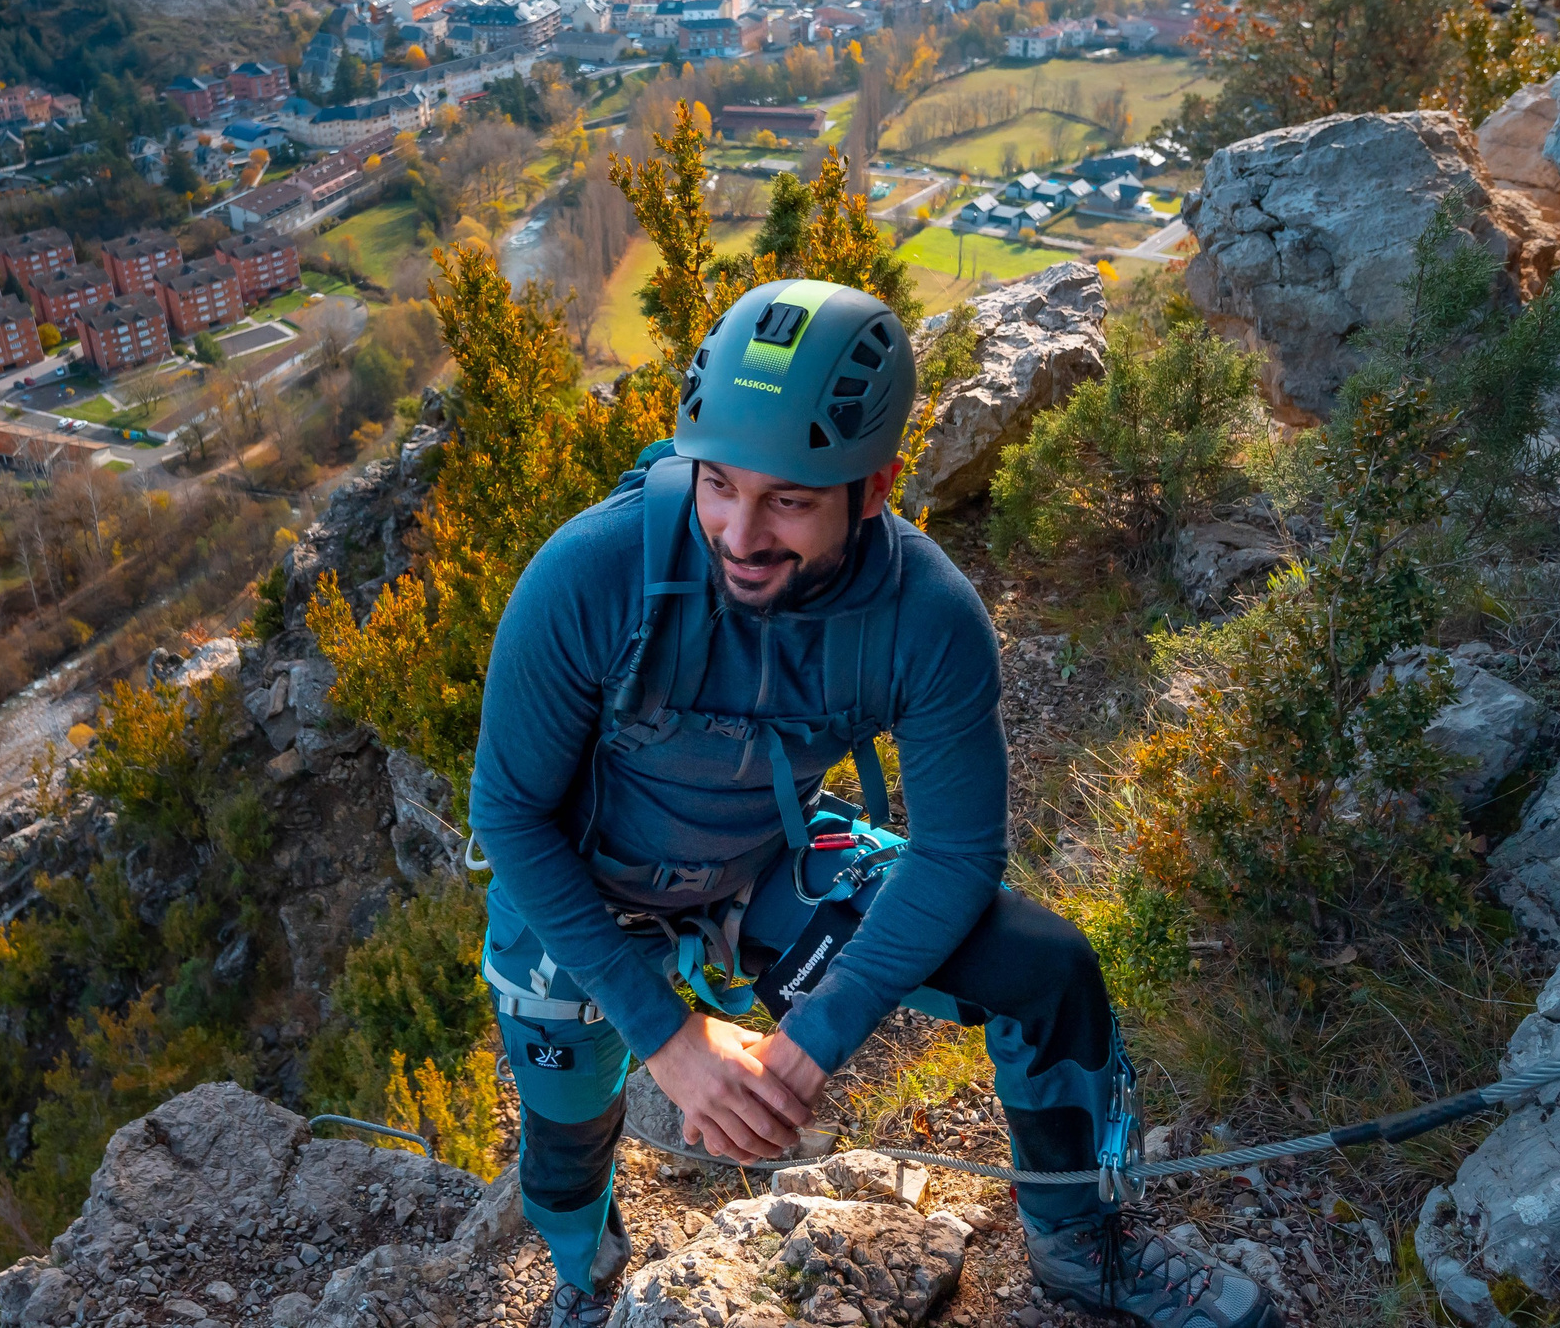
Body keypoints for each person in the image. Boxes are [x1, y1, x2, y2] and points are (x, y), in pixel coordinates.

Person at [469, 279, 1278, 1328]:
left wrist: (814, 1039)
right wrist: (668, 1040)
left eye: (789, 501)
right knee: (567, 1132)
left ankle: (1081, 1244)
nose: (739, 534)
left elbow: (956, 856)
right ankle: (584, 1283)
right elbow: (509, 814)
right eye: (718, 484)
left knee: (1046, 972)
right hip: (579, 887)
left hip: (764, 865)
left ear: (875, 487)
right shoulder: (594, 574)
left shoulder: (925, 617)